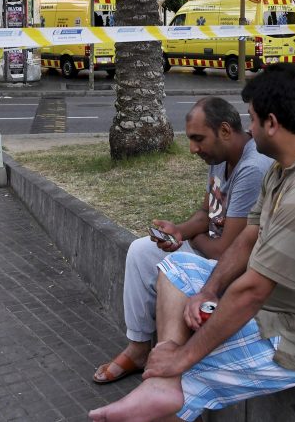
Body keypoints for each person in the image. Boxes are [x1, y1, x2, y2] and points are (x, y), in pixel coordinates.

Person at [88, 64, 295, 422]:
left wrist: (184, 358)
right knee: (173, 265)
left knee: (190, 375)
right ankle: (163, 373)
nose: (250, 129)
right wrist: (209, 291)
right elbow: (248, 237)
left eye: (253, 119)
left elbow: (252, 290)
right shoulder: (285, 166)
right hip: (280, 309)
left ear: (272, 122)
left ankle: (167, 384)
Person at [93, 97, 273, 384]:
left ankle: (172, 370)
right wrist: (179, 231)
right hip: (210, 247)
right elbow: (207, 212)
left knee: (173, 264)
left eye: (198, 139)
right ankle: (138, 348)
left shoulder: (252, 168)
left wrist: (192, 238)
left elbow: (228, 248)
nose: (193, 149)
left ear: (225, 130)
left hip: (229, 265)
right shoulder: (220, 157)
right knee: (140, 251)